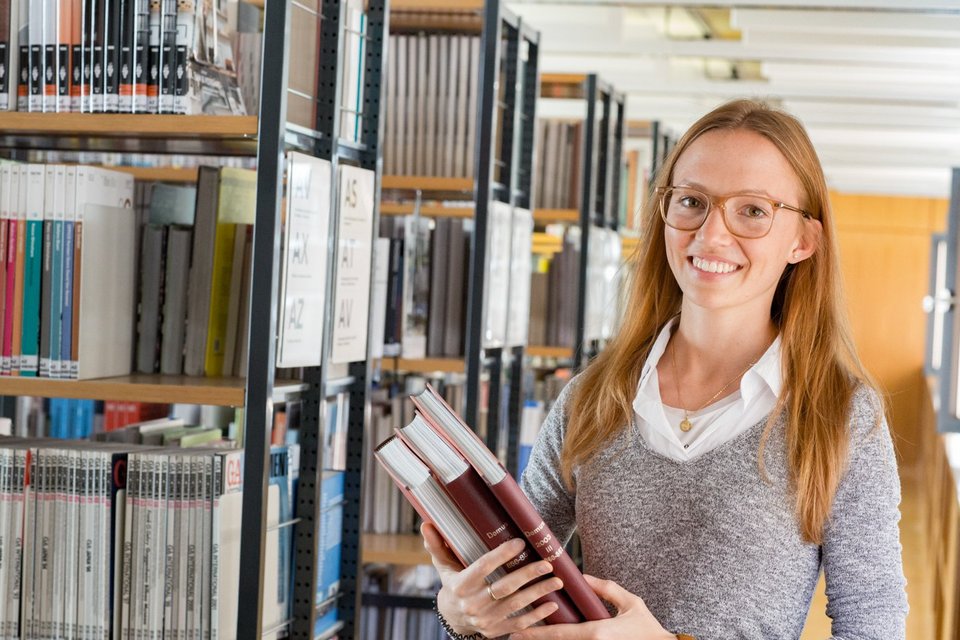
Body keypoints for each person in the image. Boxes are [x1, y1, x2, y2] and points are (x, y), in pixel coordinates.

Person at [421, 98, 908, 640]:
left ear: (803, 240)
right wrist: (462, 617)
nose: (711, 234)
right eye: (692, 201)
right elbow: (520, 587)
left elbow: (873, 625)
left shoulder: (839, 416)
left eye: (752, 210)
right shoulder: (592, 397)